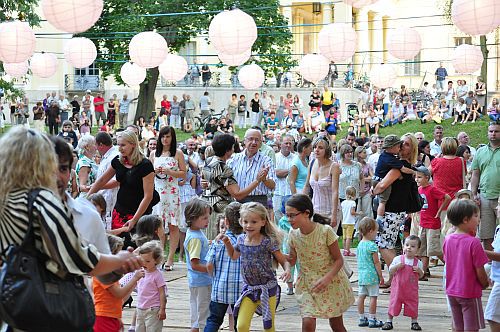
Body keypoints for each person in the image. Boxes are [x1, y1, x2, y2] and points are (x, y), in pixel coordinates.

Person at [0, 127, 143, 311]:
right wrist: (120, 259)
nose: (55, 174)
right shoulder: (41, 204)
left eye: (63, 167)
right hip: (46, 312)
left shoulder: (9, 202)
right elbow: (78, 258)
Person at [285, 194, 354, 332]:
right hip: (307, 284)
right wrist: (286, 267)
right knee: (308, 322)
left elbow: (339, 260)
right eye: (287, 215)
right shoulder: (293, 234)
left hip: (331, 283)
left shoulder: (325, 231)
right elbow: (291, 260)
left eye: (292, 215)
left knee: (336, 325)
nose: (289, 219)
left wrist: (327, 278)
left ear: (306, 213)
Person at [221, 202, 291, 332]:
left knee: (269, 327)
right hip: (249, 289)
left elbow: (283, 260)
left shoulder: (267, 241)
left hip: (267, 289)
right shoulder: (241, 239)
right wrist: (227, 242)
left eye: (254, 222)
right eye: (246, 221)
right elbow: (234, 256)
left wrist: (287, 270)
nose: (249, 225)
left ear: (263, 222)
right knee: (241, 326)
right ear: (241, 222)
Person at [88, 130, 157, 249]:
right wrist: (86, 199)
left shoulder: (145, 165)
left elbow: (148, 196)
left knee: (138, 248)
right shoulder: (118, 161)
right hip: (120, 211)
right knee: (118, 247)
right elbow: (101, 180)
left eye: (123, 145)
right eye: (118, 145)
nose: (120, 148)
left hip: (139, 212)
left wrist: (134, 220)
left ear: (133, 144)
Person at [372, 134, 419, 283]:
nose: (401, 146)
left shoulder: (399, 167)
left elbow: (381, 186)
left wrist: (373, 190)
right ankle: (393, 280)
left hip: (390, 211)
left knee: (382, 245)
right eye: (401, 143)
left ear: (412, 150)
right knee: (390, 244)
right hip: (397, 211)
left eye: (405, 144)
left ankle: (402, 277)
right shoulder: (402, 165)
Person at [443, 199, 489, 332]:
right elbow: (479, 270)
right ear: (465, 220)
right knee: (471, 328)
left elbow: (449, 262)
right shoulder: (474, 243)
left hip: (451, 291)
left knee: (458, 327)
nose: (478, 219)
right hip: (469, 292)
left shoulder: (448, 239)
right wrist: (485, 283)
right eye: (476, 216)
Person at [150, 126, 186, 270]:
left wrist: (170, 171)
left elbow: (183, 173)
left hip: (172, 192)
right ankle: (160, 256)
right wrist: (155, 171)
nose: (165, 139)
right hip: (158, 192)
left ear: (172, 138)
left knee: (173, 225)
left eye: (168, 136)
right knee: (158, 226)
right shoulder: (154, 154)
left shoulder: (178, 153)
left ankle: (171, 258)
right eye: (163, 136)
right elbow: (148, 173)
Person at [93, 235, 144, 332]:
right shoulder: (103, 272)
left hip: (110, 316)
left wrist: (117, 317)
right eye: (118, 254)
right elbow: (119, 293)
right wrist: (134, 278)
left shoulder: (111, 274)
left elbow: (121, 299)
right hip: (103, 317)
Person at [205, 202, 243, 332]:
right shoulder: (246, 240)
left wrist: (213, 276)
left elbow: (209, 264)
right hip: (241, 290)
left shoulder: (219, 241)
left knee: (214, 320)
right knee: (240, 323)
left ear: (226, 222)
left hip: (220, 288)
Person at [381, 235, 424, 331]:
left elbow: (421, 275)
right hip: (398, 289)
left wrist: (419, 271)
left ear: (417, 249)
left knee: (413, 305)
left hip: (411, 291)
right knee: (393, 304)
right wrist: (396, 267)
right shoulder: (398, 259)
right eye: (407, 245)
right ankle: (389, 321)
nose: (409, 248)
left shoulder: (418, 263)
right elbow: (391, 271)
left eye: (413, 246)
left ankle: (414, 322)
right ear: (403, 246)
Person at [415, 166, 450, 279]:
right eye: (416, 177)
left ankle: (450, 265)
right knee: (423, 250)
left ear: (427, 177)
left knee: (434, 249)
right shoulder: (419, 190)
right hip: (423, 223)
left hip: (433, 223)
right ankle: (423, 272)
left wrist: (439, 211)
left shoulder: (432, 189)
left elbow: (447, 197)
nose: (417, 179)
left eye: (419, 177)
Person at [183, 198, 213, 332]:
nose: (208, 220)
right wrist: (211, 269)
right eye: (204, 218)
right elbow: (194, 264)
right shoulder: (195, 238)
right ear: (193, 217)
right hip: (202, 281)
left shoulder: (193, 232)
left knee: (195, 312)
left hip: (195, 281)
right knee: (204, 312)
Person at [372, 135, 413, 227]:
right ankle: (378, 220)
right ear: (392, 147)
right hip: (392, 210)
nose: (401, 147)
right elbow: (382, 186)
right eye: (400, 145)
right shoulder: (394, 161)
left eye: (406, 144)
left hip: (395, 209)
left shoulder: (386, 156)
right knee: (382, 202)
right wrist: (414, 172)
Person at [227, 129, 276, 206]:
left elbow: (273, 185)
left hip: (258, 202)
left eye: (257, 140)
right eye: (251, 139)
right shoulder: (233, 159)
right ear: (245, 141)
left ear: (261, 143)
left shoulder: (266, 161)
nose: (253, 142)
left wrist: (264, 179)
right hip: (236, 201)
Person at [471, 122, 500, 251]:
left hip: (499, 197)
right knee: (486, 233)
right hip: (485, 197)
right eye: (491, 131)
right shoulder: (480, 152)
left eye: (496, 131)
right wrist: (473, 193)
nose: (493, 134)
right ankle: (489, 264)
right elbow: (475, 174)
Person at [303, 136, 341, 230]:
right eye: (315, 147)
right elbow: (307, 186)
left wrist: (334, 215)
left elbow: (335, 192)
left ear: (327, 150)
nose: (317, 150)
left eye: (320, 148)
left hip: (330, 210)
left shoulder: (334, 166)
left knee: (328, 242)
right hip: (315, 210)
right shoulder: (312, 163)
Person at [356, 217, 384, 328]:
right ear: (371, 231)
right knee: (373, 297)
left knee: (361, 296)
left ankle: (362, 318)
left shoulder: (359, 245)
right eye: (376, 231)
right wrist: (381, 276)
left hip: (362, 276)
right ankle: (372, 319)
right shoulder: (372, 246)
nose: (376, 233)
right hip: (372, 276)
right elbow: (376, 263)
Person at [135, 241, 167, 332]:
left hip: (153, 309)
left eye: (148, 261)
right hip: (140, 308)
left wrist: (162, 309)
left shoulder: (157, 275)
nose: (144, 263)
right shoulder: (140, 272)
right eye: (142, 260)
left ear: (156, 261)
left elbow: (162, 293)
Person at [274, 135, 295, 222]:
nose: (288, 145)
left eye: (290, 143)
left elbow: (297, 174)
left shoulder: (296, 157)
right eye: (286, 143)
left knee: (290, 217)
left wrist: (284, 172)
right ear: (281, 144)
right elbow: (276, 173)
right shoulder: (275, 157)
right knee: (277, 216)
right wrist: (291, 171)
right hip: (278, 192)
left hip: (291, 192)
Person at [341, 186, 361, 257]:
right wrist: (358, 213)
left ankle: (345, 250)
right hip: (350, 222)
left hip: (344, 222)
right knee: (349, 237)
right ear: (354, 195)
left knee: (344, 237)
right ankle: (347, 251)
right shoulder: (353, 203)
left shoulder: (343, 203)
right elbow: (352, 212)